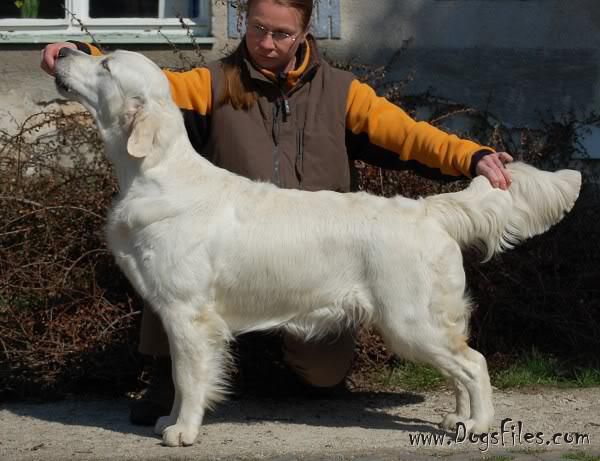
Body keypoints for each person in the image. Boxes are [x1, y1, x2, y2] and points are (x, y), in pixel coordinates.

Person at [41, 0, 513, 426]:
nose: (265, 43)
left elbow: (409, 137)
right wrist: (75, 50)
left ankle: (456, 382)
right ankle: (172, 385)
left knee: (329, 369)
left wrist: (472, 157)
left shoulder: (343, 92)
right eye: (256, 28)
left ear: (304, 35)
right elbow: (142, 84)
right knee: (176, 275)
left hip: (322, 254)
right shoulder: (212, 82)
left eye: (281, 34)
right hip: (230, 247)